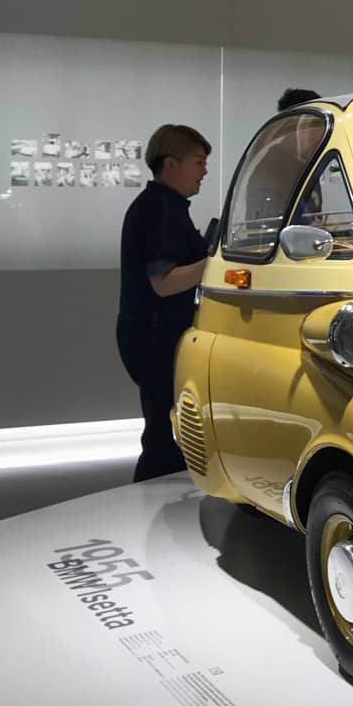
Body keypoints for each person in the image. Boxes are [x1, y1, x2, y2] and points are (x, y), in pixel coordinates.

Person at [117, 124, 211, 482]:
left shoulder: (162, 206)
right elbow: (164, 283)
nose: (204, 171)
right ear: (171, 164)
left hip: (149, 333)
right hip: (156, 337)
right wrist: (215, 264)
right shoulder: (161, 211)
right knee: (161, 435)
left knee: (160, 427)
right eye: (198, 162)